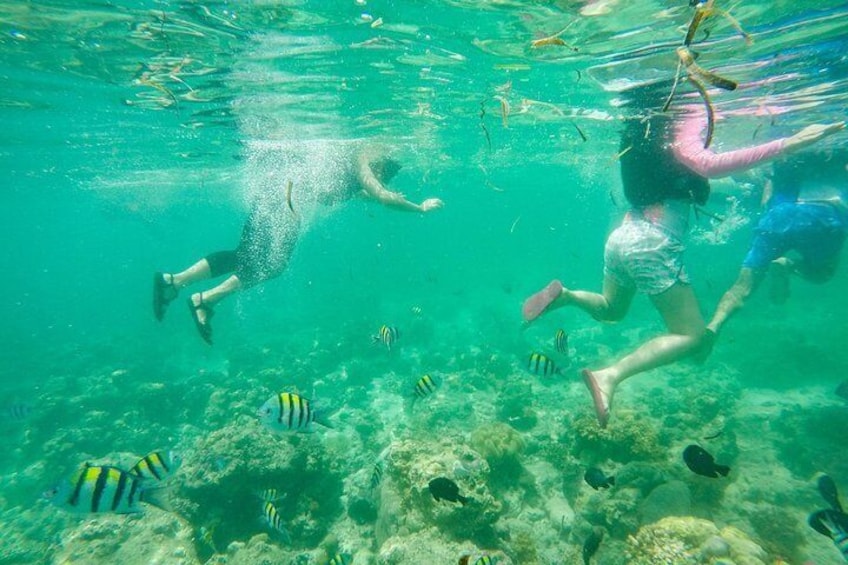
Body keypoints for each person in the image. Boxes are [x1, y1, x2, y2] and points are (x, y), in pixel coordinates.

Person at [521, 81, 844, 428]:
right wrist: (788, 143)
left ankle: (566, 296)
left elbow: (690, 177)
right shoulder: (684, 115)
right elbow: (708, 164)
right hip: (652, 243)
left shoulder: (642, 128)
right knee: (690, 335)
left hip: (623, 234)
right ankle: (610, 375)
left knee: (611, 310)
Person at [152, 145, 443, 344]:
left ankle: (176, 283)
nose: (382, 179)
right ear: (380, 162)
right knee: (273, 264)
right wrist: (419, 208)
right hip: (284, 204)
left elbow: (356, 193)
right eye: (384, 174)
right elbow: (381, 196)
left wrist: (385, 194)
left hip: (279, 198)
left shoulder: (354, 172)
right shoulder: (361, 162)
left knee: (245, 257)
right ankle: (202, 298)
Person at [706, 151, 848, 338]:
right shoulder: (840, 153)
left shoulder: (787, 153)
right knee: (822, 273)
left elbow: (766, 191)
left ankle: (714, 326)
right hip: (823, 217)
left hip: (778, 216)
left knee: (742, 286)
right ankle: (789, 265)